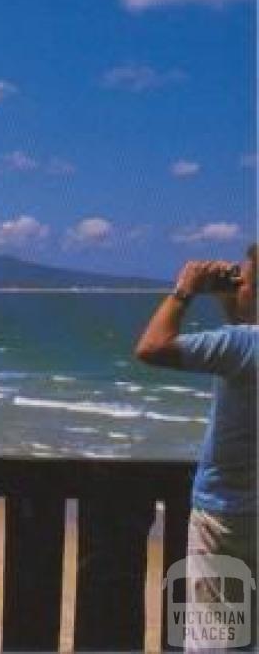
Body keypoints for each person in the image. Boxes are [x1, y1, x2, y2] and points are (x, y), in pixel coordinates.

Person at [135, 244, 257, 646]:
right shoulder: (243, 344)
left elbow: (152, 348)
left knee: (217, 634)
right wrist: (233, 300)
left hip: (228, 514)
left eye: (244, 279)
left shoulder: (241, 346)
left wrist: (184, 291)